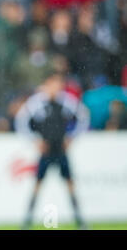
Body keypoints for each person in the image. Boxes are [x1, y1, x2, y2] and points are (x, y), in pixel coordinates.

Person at [14, 72, 90, 230]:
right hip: (46, 151)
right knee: (37, 184)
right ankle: (27, 221)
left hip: (61, 150)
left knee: (70, 184)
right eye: (53, 84)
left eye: (59, 84)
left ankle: (79, 220)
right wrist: (35, 140)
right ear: (46, 85)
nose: (56, 87)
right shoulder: (37, 102)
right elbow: (21, 121)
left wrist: (71, 137)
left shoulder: (66, 101)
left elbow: (83, 116)